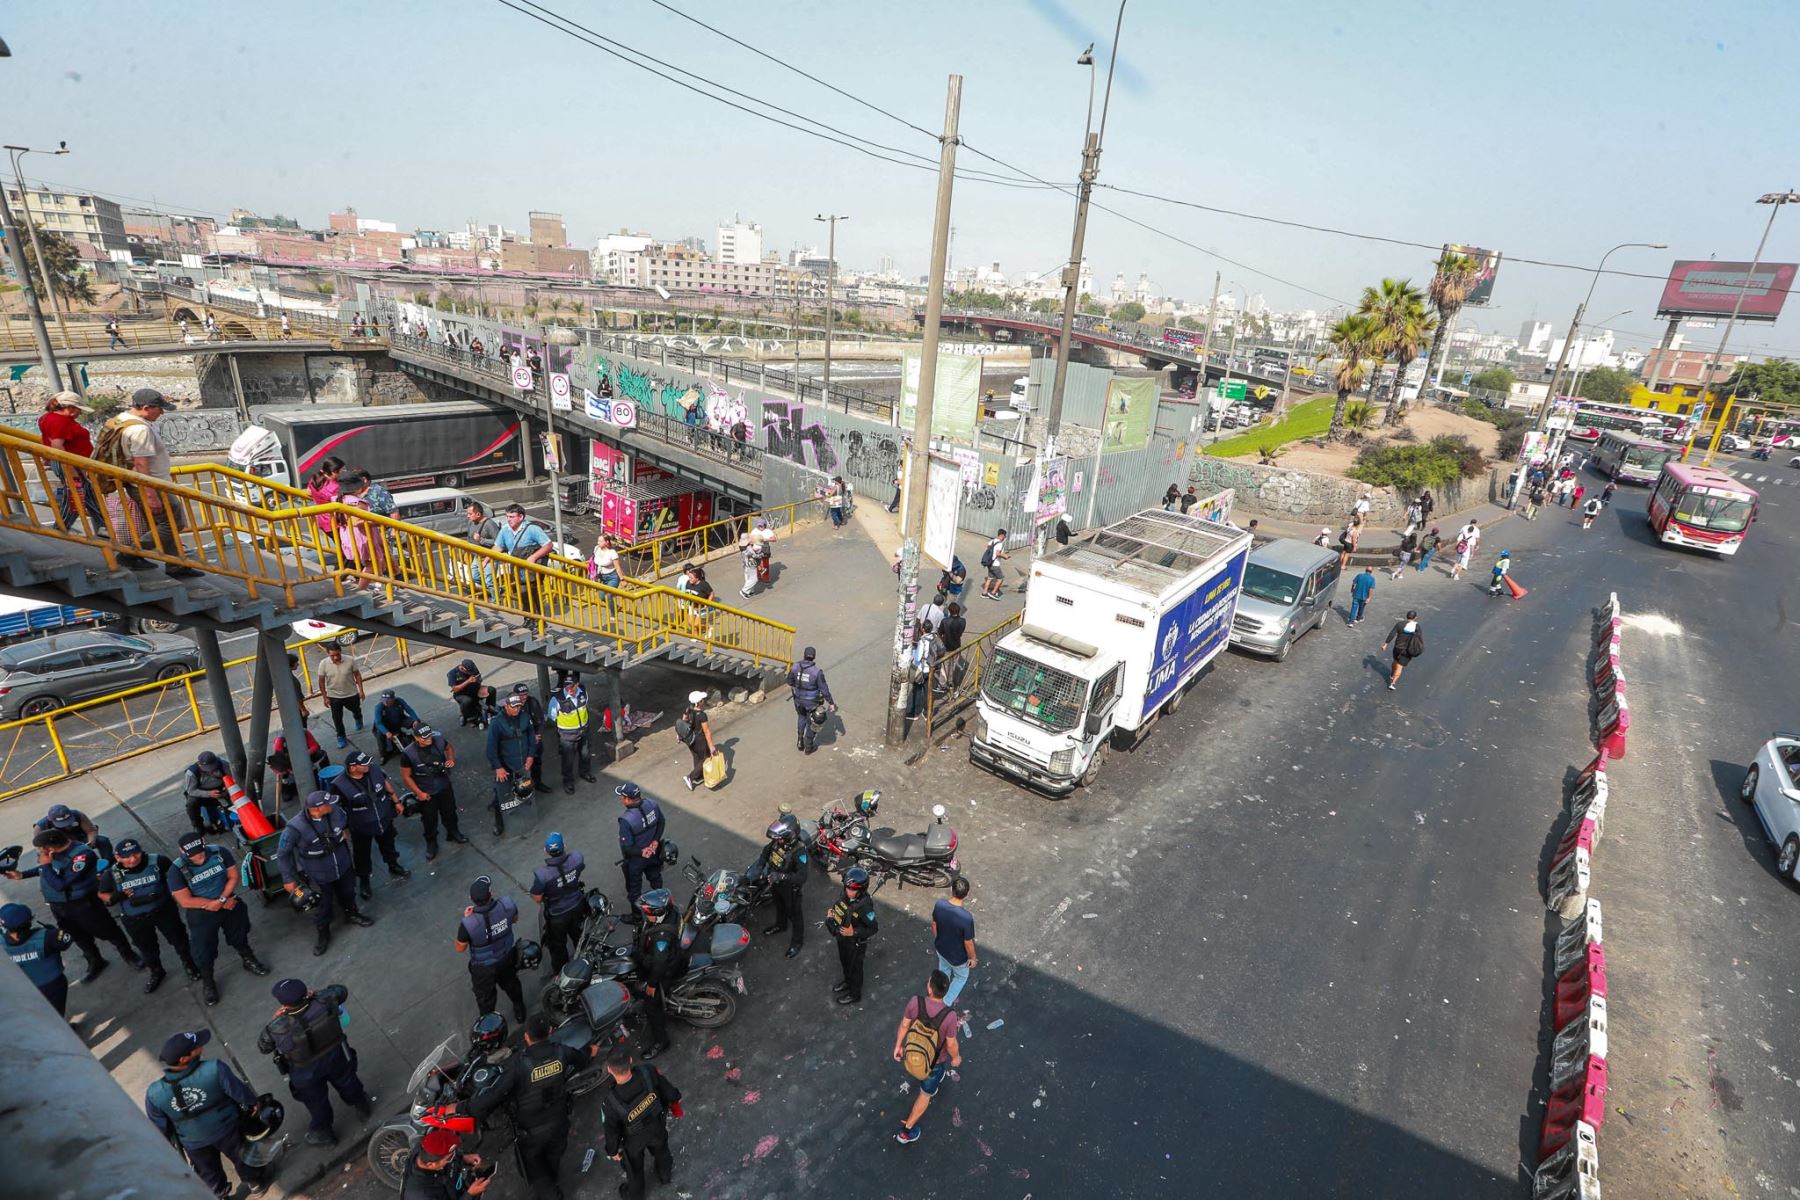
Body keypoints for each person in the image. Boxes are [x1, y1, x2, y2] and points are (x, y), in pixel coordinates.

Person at [469, 1013, 591, 1200]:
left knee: (536, 1171)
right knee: (553, 1158)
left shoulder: (518, 1064)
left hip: (532, 1131)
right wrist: (591, 1051)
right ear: (550, 1032)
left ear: (526, 1036)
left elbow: (492, 1096)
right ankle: (551, 1180)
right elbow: (581, 1059)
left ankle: (550, 1193)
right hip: (559, 1123)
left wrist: (464, 1108)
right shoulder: (561, 1052)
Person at [5, 826, 142, 983]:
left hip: (83, 904)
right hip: (59, 906)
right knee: (78, 936)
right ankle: (95, 961)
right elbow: (45, 870)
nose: (40, 852)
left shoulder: (82, 855)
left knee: (108, 930)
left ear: (51, 847)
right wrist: (22, 875)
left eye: (42, 849)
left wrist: (46, 864)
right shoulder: (52, 855)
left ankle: (129, 955)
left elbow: (61, 884)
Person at [145, 1029, 271, 1198]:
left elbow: (159, 1128)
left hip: (193, 1143)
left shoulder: (154, 1093)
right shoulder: (215, 1069)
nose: (201, 1046)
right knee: (243, 1157)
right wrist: (253, 1103)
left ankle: (218, 1195)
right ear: (184, 1059)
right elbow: (239, 1092)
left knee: (207, 1173)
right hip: (228, 1130)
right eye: (196, 1047)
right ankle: (255, 1183)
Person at [257, 977, 374, 1146]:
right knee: (348, 1081)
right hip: (335, 1054)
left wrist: (274, 1020)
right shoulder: (326, 1000)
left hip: (304, 1070)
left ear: (283, 1004)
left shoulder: (277, 1027)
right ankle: (362, 1106)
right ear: (305, 993)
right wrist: (316, 994)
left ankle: (324, 1133)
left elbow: (264, 1047)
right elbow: (341, 990)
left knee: (316, 1101)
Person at [167, 830, 272, 1006]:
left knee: (239, 934)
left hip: (228, 901)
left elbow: (233, 876)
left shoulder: (219, 852)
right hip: (201, 911)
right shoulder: (176, 870)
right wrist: (213, 904)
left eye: (201, 852)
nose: (199, 858)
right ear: (182, 851)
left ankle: (248, 959)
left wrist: (222, 899)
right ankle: (208, 982)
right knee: (203, 950)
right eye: (193, 856)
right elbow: (184, 900)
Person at [106, 389, 202, 577]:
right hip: (152, 485)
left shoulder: (121, 418)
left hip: (140, 483)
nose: (162, 413)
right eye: (159, 409)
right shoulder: (140, 429)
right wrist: (151, 495)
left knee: (166, 523)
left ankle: (175, 565)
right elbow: (141, 464)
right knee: (174, 523)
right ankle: (130, 553)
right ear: (146, 407)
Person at [277, 790, 376, 956]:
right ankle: (323, 932)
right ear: (316, 809)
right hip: (318, 873)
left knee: (348, 892)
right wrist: (288, 878)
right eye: (328, 803)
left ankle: (352, 914)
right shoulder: (295, 828)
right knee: (323, 905)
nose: (332, 805)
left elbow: (346, 823)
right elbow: (282, 854)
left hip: (342, 864)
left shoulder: (336, 812)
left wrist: (346, 833)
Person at [99, 838, 201, 994]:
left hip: (163, 911)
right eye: (127, 856)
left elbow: (176, 877)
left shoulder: (158, 861)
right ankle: (156, 971)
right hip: (134, 918)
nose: (133, 859)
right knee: (146, 949)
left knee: (179, 940)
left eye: (136, 854)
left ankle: (190, 965)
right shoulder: (111, 873)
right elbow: (103, 894)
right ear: (118, 857)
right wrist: (116, 897)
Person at [891, 970, 965, 1145]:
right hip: (935, 1064)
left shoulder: (916, 1002)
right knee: (925, 1095)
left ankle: (907, 1132)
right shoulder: (949, 1016)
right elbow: (951, 1044)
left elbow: (904, 1024)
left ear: (930, 988)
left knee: (924, 1078)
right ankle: (906, 1132)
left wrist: (898, 1046)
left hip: (913, 1053)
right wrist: (956, 1058)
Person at [600, 1049, 683, 1200]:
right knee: (662, 1152)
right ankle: (665, 1176)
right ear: (630, 1060)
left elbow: (611, 1131)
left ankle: (635, 1196)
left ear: (609, 1070)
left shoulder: (610, 1102)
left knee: (634, 1170)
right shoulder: (647, 1072)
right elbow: (667, 1090)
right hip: (656, 1126)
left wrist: (612, 1151)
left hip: (633, 1141)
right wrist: (675, 1099)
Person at [331, 750, 411, 899]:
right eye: (364, 764)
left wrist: (396, 801)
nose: (368, 765)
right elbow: (335, 809)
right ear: (353, 767)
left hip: (383, 817)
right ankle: (364, 881)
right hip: (361, 826)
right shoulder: (339, 785)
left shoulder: (374, 769)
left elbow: (385, 783)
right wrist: (342, 828)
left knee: (388, 843)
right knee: (362, 854)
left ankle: (393, 865)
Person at [456, 875, 527, 1022]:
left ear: (471, 898)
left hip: (483, 968)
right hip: (506, 957)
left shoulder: (468, 924)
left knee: (485, 997)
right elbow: (515, 919)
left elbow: (460, 948)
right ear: (491, 894)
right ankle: (520, 1009)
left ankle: (489, 1025)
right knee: (512, 985)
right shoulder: (507, 905)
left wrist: (469, 918)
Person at [38, 392, 107, 532]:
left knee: (87, 495)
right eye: (78, 409)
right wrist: (72, 470)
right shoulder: (61, 421)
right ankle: (60, 528)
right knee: (77, 496)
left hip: (69, 462)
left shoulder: (48, 418)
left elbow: (48, 440)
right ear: (69, 407)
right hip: (72, 463)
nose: (79, 412)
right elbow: (57, 445)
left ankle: (105, 526)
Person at [631, 889, 685, 1059]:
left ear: (659, 913)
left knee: (651, 1006)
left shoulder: (662, 937)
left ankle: (661, 1041)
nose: (645, 915)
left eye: (648, 912)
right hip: (675, 954)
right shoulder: (672, 912)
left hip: (666, 969)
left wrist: (652, 985)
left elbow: (659, 965)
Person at [400, 724, 466, 860]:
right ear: (416, 738)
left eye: (429, 735)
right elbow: (406, 776)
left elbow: (449, 747)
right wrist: (419, 793)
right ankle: (431, 843)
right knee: (429, 820)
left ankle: (453, 832)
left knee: (450, 811)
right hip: (426, 792)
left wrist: (451, 760)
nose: (428, 739)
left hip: (444, 785)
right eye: (424, 737)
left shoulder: (439, 739)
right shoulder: (408, 753)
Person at [529, 833, 588, 974]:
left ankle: (561, 974)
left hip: (557, 915)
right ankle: (585, 964)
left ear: (546, 851)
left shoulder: (542, 875)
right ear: (564, 846)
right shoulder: (577, 858)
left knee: (557, 946)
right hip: (577, 905)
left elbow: (537, 898)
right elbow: (580, 869)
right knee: (580, 937)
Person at [750, 814, 808, 958]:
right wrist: (759, 868)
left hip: (790, 888)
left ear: (790, 836)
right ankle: (781, 925)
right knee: (779, 906)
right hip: (775, 883)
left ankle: (797, 942)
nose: (777, 841)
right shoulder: (777, 843)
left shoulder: (799, 851)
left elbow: (801, 877)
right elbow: (765, 852)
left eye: (780, 838)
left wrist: (781, 876)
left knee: (795, 915)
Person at [2, 902, 75, 1015]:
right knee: (57, 1014)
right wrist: (54, 931)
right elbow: (66, 940)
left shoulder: (2, 943)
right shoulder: (47, 937)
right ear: (29, 922)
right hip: (52, 985)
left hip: (24, 989)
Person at [486, 692, 537, 837]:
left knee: (525, 790)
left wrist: (530, 756)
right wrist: (498, 767)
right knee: (501, 795)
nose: (517, 709)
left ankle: (525, 814)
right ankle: (499, 823)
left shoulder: (525, 717)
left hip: (522, 764)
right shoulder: (497, 723)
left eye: (519, 706)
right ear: (506, 706)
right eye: (513, 707)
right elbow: (490, 748)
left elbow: (532, 738)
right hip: (505, 767)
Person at [826, 865, 878, 1005]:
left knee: (855, 968)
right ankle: (847, 981)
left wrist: (853, 932)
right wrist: (832, 915)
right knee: (845, 962)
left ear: (861, 890)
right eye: (847, 887)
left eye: (852, 889)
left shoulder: (865, 906)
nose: (848, 891)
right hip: (842, 939)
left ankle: (855, 993)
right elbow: (840, 906)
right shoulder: (845, 895)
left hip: (855, 943)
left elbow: (873, 928)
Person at [615, 782, 666, 912]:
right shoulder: (652, 804)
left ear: (628, 799)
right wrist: (655, 841)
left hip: (636, 860)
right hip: (654, 852)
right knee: (656, 878)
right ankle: (663, 905)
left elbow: (627, 848)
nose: (620, 798)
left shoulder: (626, 820)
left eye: (622, 796)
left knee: (634, 890)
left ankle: (637, 918)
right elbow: (661, 821)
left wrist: (642, 852)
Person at [401, 1128, 493, 1199]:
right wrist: (470, 1194)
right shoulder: (421, 1195)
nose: (452, 1158)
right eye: (449, 1158)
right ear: (431, 1165)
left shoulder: (424, 1149)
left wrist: (463, 1157)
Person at [494, 504, 553, 612]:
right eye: (507, 516)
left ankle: (535, 619)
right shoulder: (505, 530)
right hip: (517, 569)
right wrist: (486, 560)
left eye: (512, 517)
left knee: (528, 592)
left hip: (531, 570)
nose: (508, 519)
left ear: (521, 517)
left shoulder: (532, 529)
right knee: (524, 594)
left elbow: (548, 545)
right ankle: (533, 618)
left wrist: (533, 557)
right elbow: (498, 547)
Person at [931, 877, 976, 1007]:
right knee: (961, 977)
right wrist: (973, 958)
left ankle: (939, 994)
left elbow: (934, 924)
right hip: (958, 958)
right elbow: (968, 942)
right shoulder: (966, 918)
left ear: (952, 889)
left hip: (941, 949)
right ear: (966, 894)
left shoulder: (939, 905)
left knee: (944, 970)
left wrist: (938, 939)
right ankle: (945, 1003)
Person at [548, 676, 596, 793]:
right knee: (568, 760)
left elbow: (584, 708)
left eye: (572, 686)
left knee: (585, 754)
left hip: (583, 731)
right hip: (567, 735)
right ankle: (568, 781)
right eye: (567, 687)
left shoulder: (583, 692)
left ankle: (585, 773)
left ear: (577, 684)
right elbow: (552, 716)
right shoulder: (557, 699)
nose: (569, 689)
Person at [785, 646, 834, 754]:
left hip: (798, 700)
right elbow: (824, 689)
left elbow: (789, 681)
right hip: (811, 702)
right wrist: (831, 702)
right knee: (814, 722)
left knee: (801, 717)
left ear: (804, 655)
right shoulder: (817, 672)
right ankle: (808, 747)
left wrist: (798, 687)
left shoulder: (794, 667)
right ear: (814, 657)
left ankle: (799, 741)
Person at [317, 643, 365, 749]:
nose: (335, 657)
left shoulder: (350, 660)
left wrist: (361, 690)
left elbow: (357, 674)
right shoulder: (323, 664)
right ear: (328, 654)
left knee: (356, 709)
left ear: (341, 651)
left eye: (337, 655)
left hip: (351, 693)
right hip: (334, 696)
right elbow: (321, 681)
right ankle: (341, 736)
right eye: (332, 655)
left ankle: (358, 717)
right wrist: (325, 697)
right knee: (337, 718)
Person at [183, 749, 233, 834]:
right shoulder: (191, 773)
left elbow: (233, 779)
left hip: (222, 790)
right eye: (208, 768)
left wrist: (227, 790)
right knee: (191, 803)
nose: (210, 770)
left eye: (213, 767)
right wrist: (208, 794)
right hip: (204, 795)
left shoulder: (223, 764)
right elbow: (191, 791)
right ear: (199, 764)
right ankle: (198, 826)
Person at [676, 690, 718, 791]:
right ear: (698, 703)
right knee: (705, 758)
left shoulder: (688, 710)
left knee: (696, 756)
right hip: (700, 740)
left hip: (690, 739)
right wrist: (712, 746)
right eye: (702, 700)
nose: (703, 701)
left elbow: (683, 721)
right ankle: (690, 777)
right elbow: (707, 731)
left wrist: (679, 735)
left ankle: (698, 776)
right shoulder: (702, 715)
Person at [371, 688, 421, 763]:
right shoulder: (379, 707)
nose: (386, 702)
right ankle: (383, 755)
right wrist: (386, 732)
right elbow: (378, 723)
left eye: (388, 700)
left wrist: (415, 720)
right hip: (385, 725)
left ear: (393, 699)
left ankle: (420, 740)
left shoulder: (399, 701)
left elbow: (409, 710)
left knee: (417, 723)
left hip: (399, 720)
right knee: (380, 734)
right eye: (384, 700)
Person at [1380, 610, 1425, 692]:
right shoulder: (1417, 627)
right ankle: (1392, 683)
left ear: (1406, 616)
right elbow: (1419, 638)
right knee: (1400, 666)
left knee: (1395, 661)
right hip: (1407, 650)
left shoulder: (1400, 624)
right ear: (1415, 617)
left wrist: (1386, 644)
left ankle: (1391, 674)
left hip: (1397, 647)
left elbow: (1392, 634)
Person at [447, 658, 493, 729]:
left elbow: (479, 677)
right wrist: (468, 681)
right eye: (468, 672)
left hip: (475, 689)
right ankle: (468, 717)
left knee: (491, 690)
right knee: (467, 701)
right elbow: (455, 689)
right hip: (461, 694)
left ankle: (490, 709)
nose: (470, 673)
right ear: (462, 668)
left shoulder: (472, 668)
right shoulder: (452, 673)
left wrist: (478, 680)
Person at [979, 529, 1009, 600]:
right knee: (1000, 578)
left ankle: (984, 593)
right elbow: (998, 553)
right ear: (1002, 535)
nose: (1005, 538)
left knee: (989, 578)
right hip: (995, 564)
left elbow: (986, 547)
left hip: (989, 563)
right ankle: (993, 593)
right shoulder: (1000, 544)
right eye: (1004, 536)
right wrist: (1005, 556)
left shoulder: (992, 541)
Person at [737, 532, 762, 598]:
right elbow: (755, 556)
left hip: (745, 563)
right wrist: (761, 555)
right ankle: (744, 591)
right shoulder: (749, 548)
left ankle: (750, 591)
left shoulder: (742, 547)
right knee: (754, 579)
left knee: (748, 578)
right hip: (751, 564)